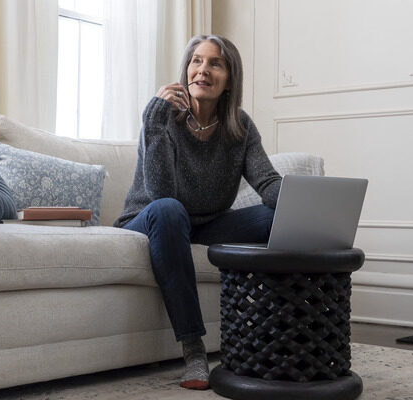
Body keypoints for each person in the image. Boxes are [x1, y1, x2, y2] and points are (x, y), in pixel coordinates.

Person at [113, 34, 282, 390]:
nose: (203, 70)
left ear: (229, 79)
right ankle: (193, 349)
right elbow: (161, 195)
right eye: (196, 61)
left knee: (273, 218)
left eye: (215, 63)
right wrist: (156, 122)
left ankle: (275, 331)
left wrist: (302, 207)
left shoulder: (240, 126)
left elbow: (266, 182)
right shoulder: (161, 119)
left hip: (203, 225)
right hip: (152, 220)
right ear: (186, 70)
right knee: (171, 211)